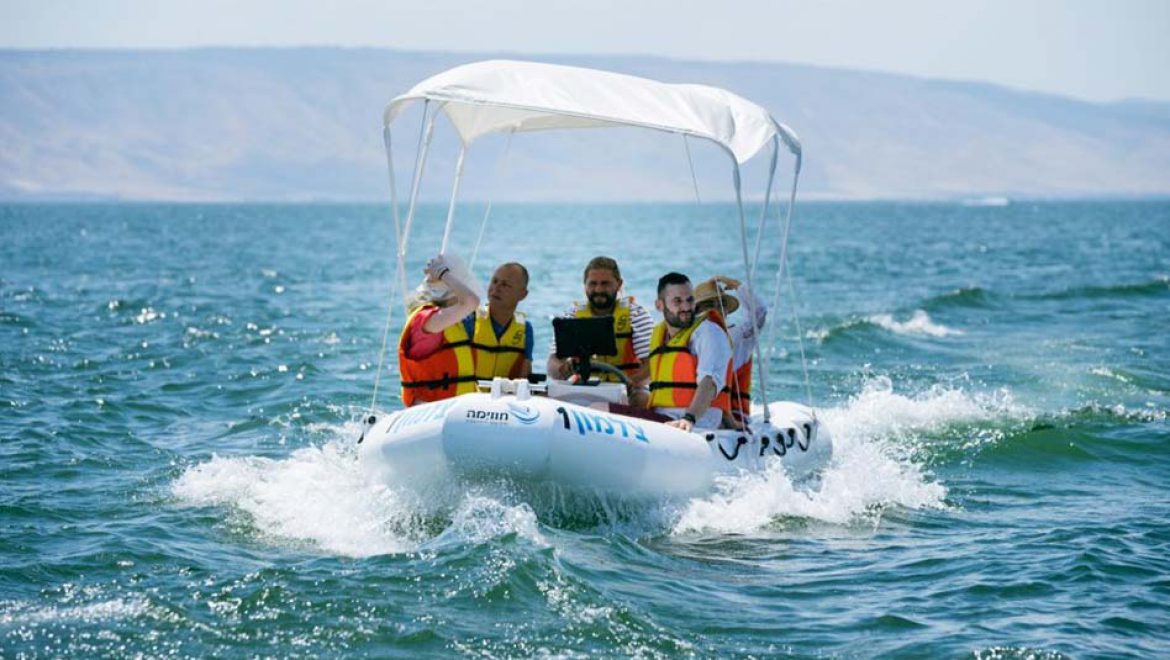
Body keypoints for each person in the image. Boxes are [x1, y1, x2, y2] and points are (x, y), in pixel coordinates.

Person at [547, 256, 653, 404]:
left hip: (627, 390)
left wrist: (631, 383)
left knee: (641, 399)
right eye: (593, 284)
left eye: (605, 284)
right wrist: (561, 369)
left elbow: (652, 364)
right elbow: (553, 362)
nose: (598, 289)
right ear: (585, 286)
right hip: (585, 386)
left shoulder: (636, 315)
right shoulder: (571, 316)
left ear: (619, 284)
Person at [648, 272, 734, 431]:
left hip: (694, 423)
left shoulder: (709, 333)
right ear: (659, 305)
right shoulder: (660, 334)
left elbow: (709, 382)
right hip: (662, 417)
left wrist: (689, 418)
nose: (686, 307)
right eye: (677, 301)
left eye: (690, 300)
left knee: (601, 408)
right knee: (599, 405)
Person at [397, 254, 481, 406]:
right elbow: (471, 301)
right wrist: (444, 274)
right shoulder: (427, 320)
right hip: (427, 415)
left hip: (452, 412)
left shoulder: (451, 323)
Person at [693, 276, 767, 429]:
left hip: (732, 418)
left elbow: (759, 312)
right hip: (693, 415)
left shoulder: (738, 336)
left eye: (719, 304)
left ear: (726, 310)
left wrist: (736, 285)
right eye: (707, 305)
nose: (713, 310)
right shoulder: (689, 339)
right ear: (697, 311)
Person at [468, 262, 534, 380]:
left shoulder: (525, 330)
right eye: (494, 281)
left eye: (505, 285)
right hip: (469, 397)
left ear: (523, 294)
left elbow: (524, 375)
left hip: (504, 397)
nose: (496, 288)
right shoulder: (470, 321)